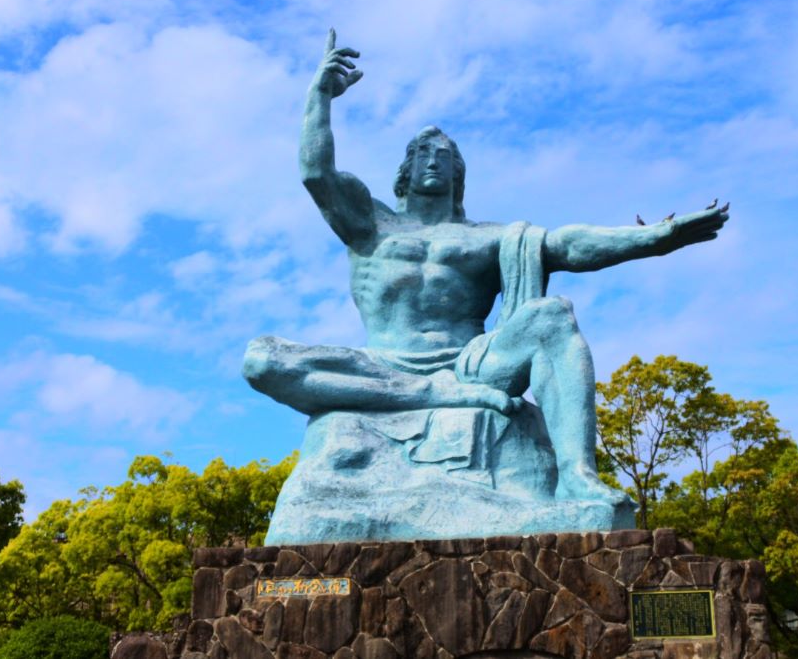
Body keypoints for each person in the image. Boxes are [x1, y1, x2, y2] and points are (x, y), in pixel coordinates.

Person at [244, 30, 729, 506]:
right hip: (383, 364)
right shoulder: (370, 222)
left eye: (445, 157)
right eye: (422, 154)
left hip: (470, 364)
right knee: (262, 361)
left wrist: (652, 238)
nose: (433, 161)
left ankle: (577, 478)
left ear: (459, 175)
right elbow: (315, 172)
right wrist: (320, 97)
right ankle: (425, 395)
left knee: (553, 317)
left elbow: (567, 244)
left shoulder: (488, 237)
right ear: (405, 171)